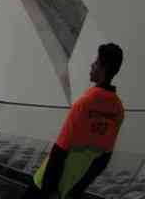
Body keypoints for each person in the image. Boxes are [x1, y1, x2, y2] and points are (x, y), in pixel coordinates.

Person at [24, 43, 125, 199]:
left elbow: (59, 151)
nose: (92, 65)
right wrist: (77, 190)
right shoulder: (118, 109)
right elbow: (102, 160)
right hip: (70, 191)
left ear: (103, 69)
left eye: (96, 63)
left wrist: (50, 191)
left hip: (45, 185)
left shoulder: (84, 103)